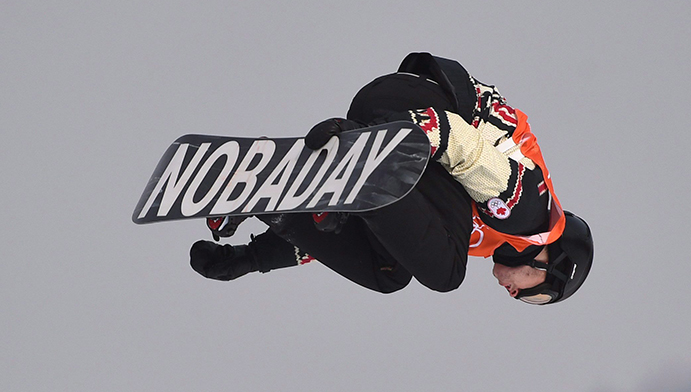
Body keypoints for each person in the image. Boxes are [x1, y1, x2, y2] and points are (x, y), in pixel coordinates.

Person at [189, 53, 592, 305]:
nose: (517, 295)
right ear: (551, 262)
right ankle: (359, 169)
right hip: (419, 108)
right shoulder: (531, 217)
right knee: (445, 275)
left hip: (399, 127)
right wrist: (376, 142)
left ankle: (267, 198)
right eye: (537, 294)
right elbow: (460, 141)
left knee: (390, 273)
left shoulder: (491, 237)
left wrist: (256, 257)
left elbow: (391, 231)